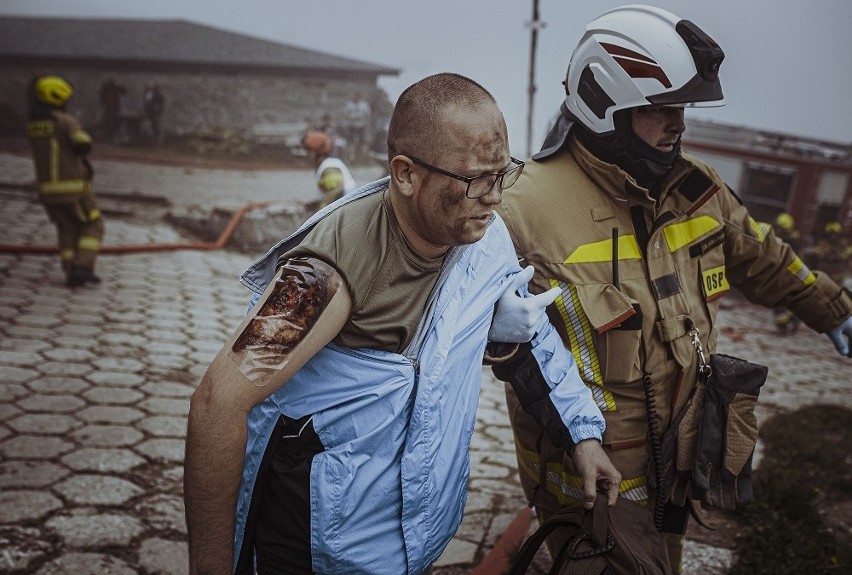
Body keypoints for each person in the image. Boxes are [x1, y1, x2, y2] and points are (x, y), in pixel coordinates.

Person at [184, 72, 620, 575]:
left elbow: (529, 336)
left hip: (413, 535)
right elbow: (217, 404)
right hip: (316, 542)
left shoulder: (485, 237)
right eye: (476, 178)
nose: (495, 196)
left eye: (503, 174)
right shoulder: (325, 271)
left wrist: (584, 437)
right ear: (406, 174)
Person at [494, 5, 852, 573]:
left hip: (680, 466)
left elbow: (762, 254)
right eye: (659, 109)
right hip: (594, 486)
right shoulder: (521, 209)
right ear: (604, 104)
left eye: (682, 107)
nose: (678, 123)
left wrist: (830, 307)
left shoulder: (694, 187)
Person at [25, 75, 105, 288]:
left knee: (67, 229)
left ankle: (71, 272)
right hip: (73, 189)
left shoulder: (34, 124)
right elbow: (83, 145)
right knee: (93, 224)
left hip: (47, 191)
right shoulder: (64, 120)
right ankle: (83, 266)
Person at [301, 129, 357, 209]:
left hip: (347, 208)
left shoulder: (329, 166)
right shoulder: (328, 163)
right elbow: (329, 193)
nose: (306, 155)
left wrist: (322, 208)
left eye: (308, 151)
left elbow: (336, 191)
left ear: (314, 152)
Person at [771, 213, 802, 334]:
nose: (776, 229)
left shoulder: (789, 243)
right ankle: (793, 319)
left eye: (779, 227)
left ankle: (783, 327)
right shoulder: (780, 240)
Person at [344, 91, 371, 161]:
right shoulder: (349, 104)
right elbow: (346, 115)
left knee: (363, 142)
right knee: (351, 142)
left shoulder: (364, 104)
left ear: (359, 97)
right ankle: (351, 157)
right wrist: (353, 117)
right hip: (352, 125)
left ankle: (364, 157)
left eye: (356, 96)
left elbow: (367, 115)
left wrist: (360, 117)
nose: (355, 98)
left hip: (362, 125)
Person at [99, 77, 126, 143]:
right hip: (109, 107)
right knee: (109, 122)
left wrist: (119, 84)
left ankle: (112, 137)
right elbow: (102, 95)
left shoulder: (115, 88)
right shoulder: (107, 88)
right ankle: (109, 137)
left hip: (114, 107)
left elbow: (124, 91)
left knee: (113, 122)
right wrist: (103, 103)